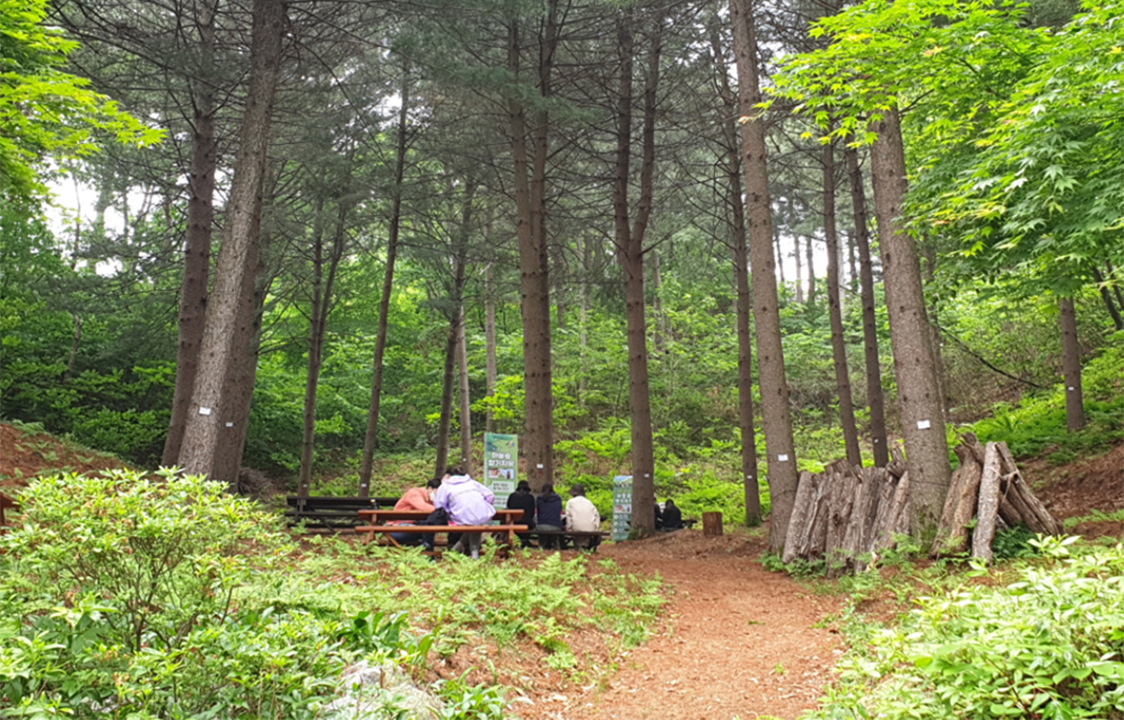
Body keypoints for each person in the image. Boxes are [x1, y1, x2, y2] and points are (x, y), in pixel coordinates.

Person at [432, 466, 495, 559]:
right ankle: (467, 554)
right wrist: (484, 506)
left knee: (472, 525)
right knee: (474, 526)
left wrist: (450, 510)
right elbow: (490, 495)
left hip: (462, 517)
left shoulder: (445, 486)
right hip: (485, 516)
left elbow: (439, 505)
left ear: (447, 476)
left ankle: (470, 556)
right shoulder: (472, 483)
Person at [388, 477, 440, 546]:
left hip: (413, 527)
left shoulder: (432, 502)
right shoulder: (414, 493)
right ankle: (428, 551)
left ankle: (428, 551)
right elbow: (422, 507)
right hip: (397, 528)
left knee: (430, 524)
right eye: (438, 493)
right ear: (430, 489)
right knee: (429, 526)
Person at [565, 483, 601, 550]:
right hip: (590, 528)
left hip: (576, 528)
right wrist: (596, 527)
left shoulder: (570, 502)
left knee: (576, 529)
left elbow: (568, 516)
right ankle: (587, 547)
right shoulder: (589, 502)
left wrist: (569, 528)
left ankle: (578, 547)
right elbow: (596, 515)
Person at [505, 480, 536, 548]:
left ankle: (518, 541)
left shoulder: (512, 496)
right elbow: (532, 513)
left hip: (514, 522)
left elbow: (508, 507)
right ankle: (525, 541)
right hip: (527, 522)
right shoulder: (530, 497)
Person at [535, 483, 564, 549]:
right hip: (556, 526)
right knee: (555, 536)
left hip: (541, 526)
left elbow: (538, 512)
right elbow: (559, 511)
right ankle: (556, 547)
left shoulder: (539, 498)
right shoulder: (558, 498)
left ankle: (541, 546)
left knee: (542, 534)